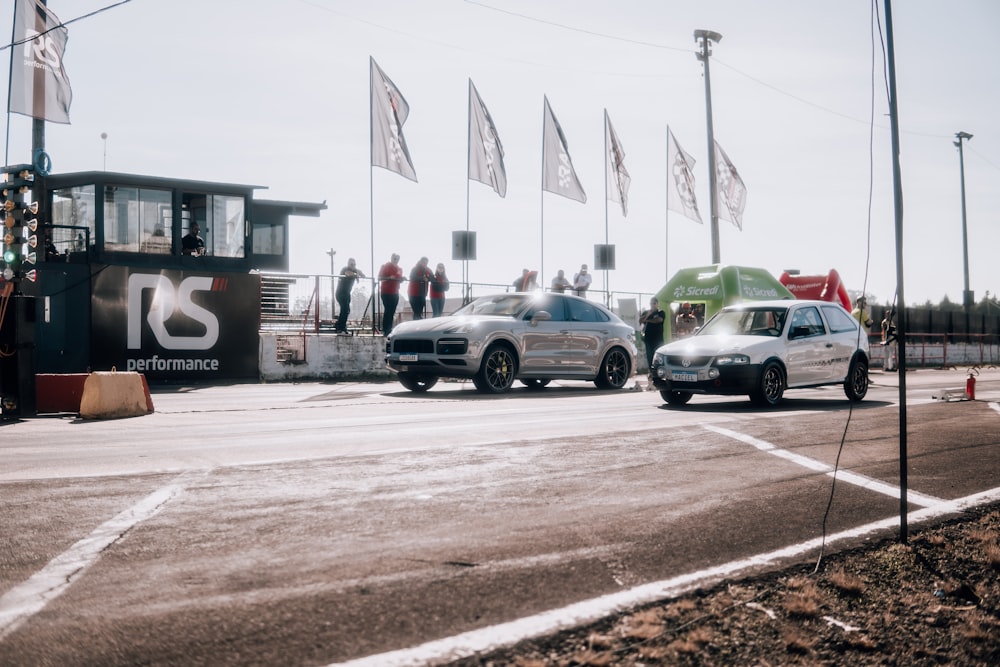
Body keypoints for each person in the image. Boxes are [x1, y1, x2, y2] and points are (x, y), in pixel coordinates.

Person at [334, 258, 365, 334]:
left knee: (347, 310)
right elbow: (348, 273)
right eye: (351, 264)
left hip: (347, 293)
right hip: (340, 293)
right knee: (345, 309)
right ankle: (340, 327)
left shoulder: (355, 270)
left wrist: (360, 274)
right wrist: (356, 275)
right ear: (348, 264)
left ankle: (341, 326)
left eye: (354, 264)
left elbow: (362, 274)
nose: (353, 266)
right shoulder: (344, 269)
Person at [639, 297, 665, 377]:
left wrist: (647, 321)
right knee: (649, 356)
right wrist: (647, 315)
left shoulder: (661, 312)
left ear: (657, 304)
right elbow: (640, 321)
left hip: (658, 339)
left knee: (658, 357)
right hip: (648, 339)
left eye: (654, 303)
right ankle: (651, 372)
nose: (652, 305)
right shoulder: (646, 312)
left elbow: (658, 320)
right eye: (651, 303)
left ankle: (659, 372)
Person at [378, 253, 404, 335]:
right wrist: (389, 278)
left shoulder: (400, 269)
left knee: (392, 311)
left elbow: (399, 279)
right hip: (386, 292)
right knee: (388, 310)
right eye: (394, 258)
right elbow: (379, 277)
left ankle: (389, 328)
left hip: (395, 292)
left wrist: (402, 279)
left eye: (397, 258)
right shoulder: (385, 266)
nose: (395, 260)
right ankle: (386, 329)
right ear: (391, 258)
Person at [881, 307, 898, 372]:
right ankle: (886, 367)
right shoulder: (884, 322)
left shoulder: (891, 322)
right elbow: (886, 329)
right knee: (886, 354)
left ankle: (890, 367)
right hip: (886, 339)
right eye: (887, 314)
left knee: (890, 354)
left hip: (891, 340)